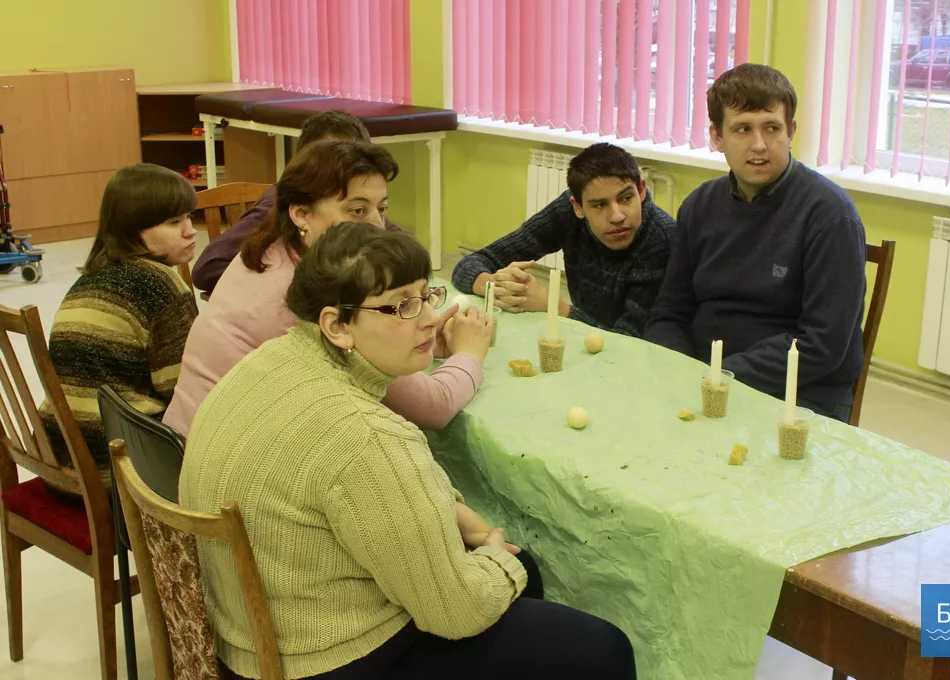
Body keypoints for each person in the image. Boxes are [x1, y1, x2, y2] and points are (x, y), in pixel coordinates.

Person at [179, 223, 636, 680]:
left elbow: (369, 494)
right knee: (600, 644)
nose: (430, 319)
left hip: (250, 638)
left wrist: (455, 513)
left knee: (519, 574)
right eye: (402, 306)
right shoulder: (366, 436)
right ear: (336, 325)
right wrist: (497, 557)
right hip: (324, 658)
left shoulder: (269, 361)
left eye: (426, 296)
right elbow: (457, 613)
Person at [163, 140, 488, 438]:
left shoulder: (271, 249)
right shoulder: (309, 299)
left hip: (184, 445)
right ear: (301, 213)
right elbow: (434, 407)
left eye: (382, 209)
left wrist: (416, 338)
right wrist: (470, 351)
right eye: (357, 211)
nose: (378, 226)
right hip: (219, 480)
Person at [645, 64, 866, 422]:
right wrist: (678, 369)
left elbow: (822, 346)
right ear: (717, 136)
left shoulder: (830, 215)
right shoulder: (699, 206)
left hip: (800, 392)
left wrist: (719, 376)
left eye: (772, 128)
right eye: (743, 129)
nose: (759, 145)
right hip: (702, 377)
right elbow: (670, 312)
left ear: (791, 131)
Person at [39, 164, 198, 487]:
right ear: (133, 228)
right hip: (118, 471)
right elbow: (182, 389)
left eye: (189, 217)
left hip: (58, 461)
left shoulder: (91, 278)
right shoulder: (161, 285)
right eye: (174, 222)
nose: (191, 230)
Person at [450, 142, 674, 338]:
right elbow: (472, 264)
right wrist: (493, 285)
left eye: (626, 198)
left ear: (642, 190)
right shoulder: (566, 212)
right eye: (599, 205)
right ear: (578, 207)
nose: (617, 216)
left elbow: (628, 341)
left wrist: (554, 306)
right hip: (581, 338)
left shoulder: (661, 239)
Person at [190, 109, 402, 295]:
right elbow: (207, 268)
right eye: (336, 161)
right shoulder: (278, 206)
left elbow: (398, 246)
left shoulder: (352, 203)